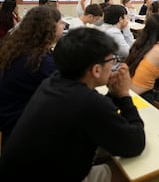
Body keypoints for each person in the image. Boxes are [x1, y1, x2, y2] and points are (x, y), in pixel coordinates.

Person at [0, 28, 146, 181]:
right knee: (128, 173)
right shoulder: (87, 102)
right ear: (96, 70)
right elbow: (135, 144)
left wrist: (114, 93)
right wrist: (124, 96)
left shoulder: (53, 81)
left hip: (19, 171)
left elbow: (97, 111)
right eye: (112, 60)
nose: (114, 66)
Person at [0, 6, 64, 147]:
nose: (64, 26)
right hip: (21, 130)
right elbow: (68, 91)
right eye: (61, 22)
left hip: (11, 120)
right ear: (50, 27)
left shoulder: (22, 49)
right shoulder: (39, 61)